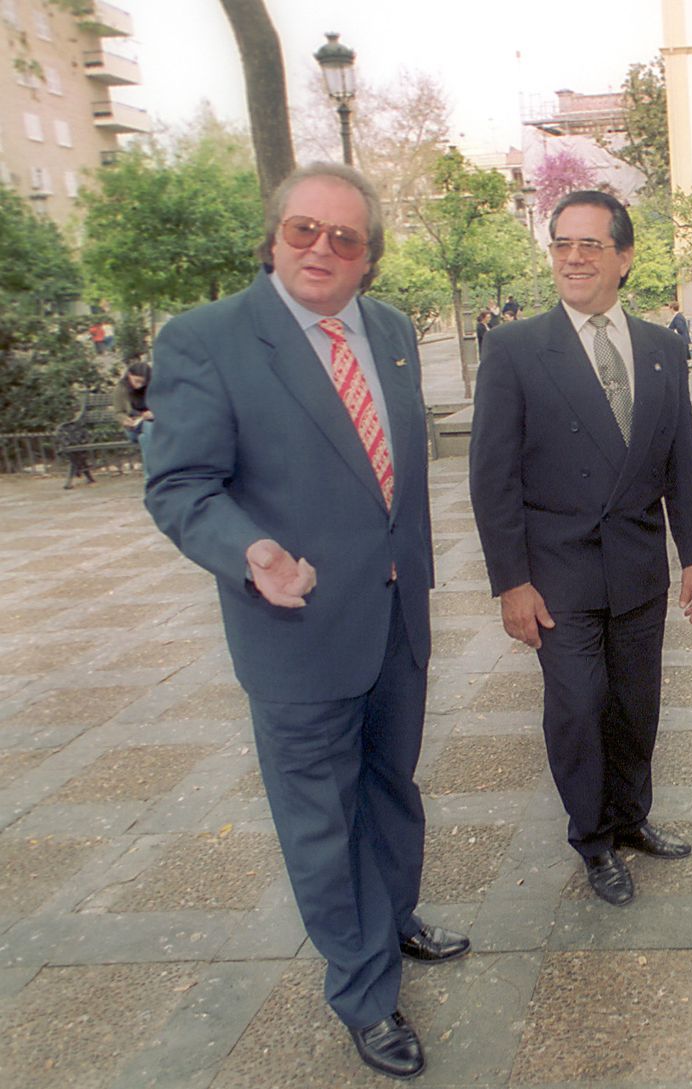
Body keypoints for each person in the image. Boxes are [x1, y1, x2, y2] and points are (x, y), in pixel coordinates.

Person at [143, 163, 465, 1081]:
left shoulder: (394, 332)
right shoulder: (208, 339)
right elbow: (180, 486)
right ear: (274, 236)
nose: (321, 248)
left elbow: (391, 481)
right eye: (303, 230)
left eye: (345, 237)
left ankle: (392, 921)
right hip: (295, 628)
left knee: (392, 789)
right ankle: (365, 992)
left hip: (396, 615)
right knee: (321, 820)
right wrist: (249, 552)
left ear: (368, 257)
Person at [469, 190, 692, 909]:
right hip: (557, 574)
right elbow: (492, 476)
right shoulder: (515, 348)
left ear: (625, 257)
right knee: (578, 705)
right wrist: (511, 582)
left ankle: (632, 817)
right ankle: (594, 839)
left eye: (590, 245)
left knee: (637, 705)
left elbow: (681, 462)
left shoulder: (663, 347)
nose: (573, 258)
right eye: (561, 244)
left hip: (638, 567)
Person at [112, 359, 155, 452]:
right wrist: (125, 420)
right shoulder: (121, 388)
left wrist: (154, 413)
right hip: (134, 428)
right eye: (136, 381)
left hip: (154, 426)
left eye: (143, 383)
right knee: (148, 427)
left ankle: (149, 466)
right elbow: (118, 412)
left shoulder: (153, 388)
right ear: (129, 375)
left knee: (145, 438)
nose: (139, 385)